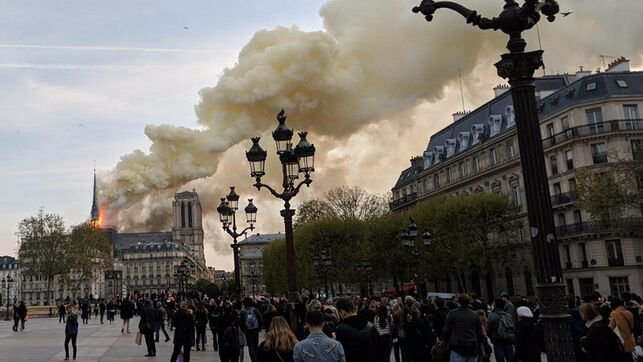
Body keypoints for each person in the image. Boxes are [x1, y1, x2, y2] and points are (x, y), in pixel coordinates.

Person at [335, 297, 380, 362]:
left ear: (342, 312)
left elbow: (341, 356)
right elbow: (379, 351)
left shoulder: (341, 330)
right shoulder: (371, 326)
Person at [442, 294, 484, 362]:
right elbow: (479, 332)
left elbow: (446, 330)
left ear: (458, 302)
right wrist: (479, 347)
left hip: (458, 347)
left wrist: (445, 342)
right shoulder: (474, 314)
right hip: (472, 346)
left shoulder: (452, 313)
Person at [487, 297, 515, 362]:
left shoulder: (492, 315)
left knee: (500, 359)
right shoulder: (507, 315)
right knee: (510, 358)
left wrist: (492, 338)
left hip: (497, 340)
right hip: (508, 339)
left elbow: (488, 330)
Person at [241, 297, 263, 362]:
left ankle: (253, 359)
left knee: (250, 346)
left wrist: (244, 330)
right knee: (255, 345)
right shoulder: (255, 310)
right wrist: (259, 328)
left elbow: (241, 323)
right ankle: (257, 358)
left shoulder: (243, 312)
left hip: (248, 331)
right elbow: (260, 319)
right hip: (255, 330)